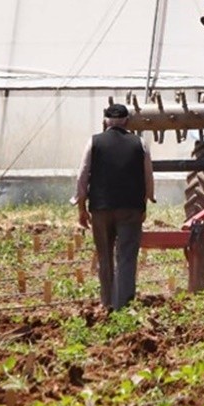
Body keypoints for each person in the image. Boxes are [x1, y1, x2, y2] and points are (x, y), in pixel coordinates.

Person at [71, 103, 155, 312]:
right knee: (126, 256)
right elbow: (148, 177)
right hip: (131, 209)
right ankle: (123, 305)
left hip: (101, 208)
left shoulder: (94, 142)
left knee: (105, 256)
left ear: (105, 121)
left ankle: (107, 302)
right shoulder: (140, 143)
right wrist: (146, 202)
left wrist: (81, 206)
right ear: (127, 121)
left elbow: (82, 175)